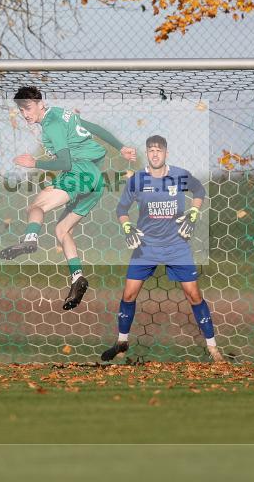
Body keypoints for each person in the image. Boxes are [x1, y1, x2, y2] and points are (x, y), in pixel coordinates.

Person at [0, 86, 136, 310]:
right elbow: (94, 128)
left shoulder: (51, 125)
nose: (25, 114)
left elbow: (65, 163)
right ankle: (77, 278)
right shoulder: (63, 113)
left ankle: (30, 239)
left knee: (36, 207)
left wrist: (35, 163)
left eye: (28, 108)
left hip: (79, 173)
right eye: (21, 110)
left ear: (40, 104)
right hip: (95, 180)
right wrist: (120, 148)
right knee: (62, 230)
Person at [101, 135, 224, 363]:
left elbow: (199, 192)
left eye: (159, 150)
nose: (155, 154)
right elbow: (121, 209)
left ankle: (213, 349)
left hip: (176, 245)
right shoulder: (137, 180)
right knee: (128, 294)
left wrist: (194, 213)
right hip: (145, 246)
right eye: (150, 150)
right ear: (147, 154)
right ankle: (121, 343)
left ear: (166, 152)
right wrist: (127, 226)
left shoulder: (179, 175)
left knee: (194, 295)